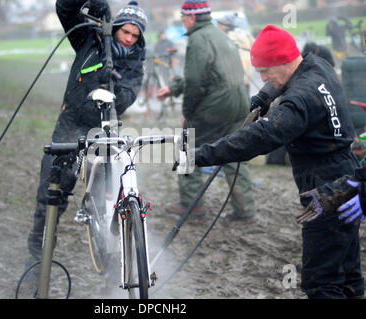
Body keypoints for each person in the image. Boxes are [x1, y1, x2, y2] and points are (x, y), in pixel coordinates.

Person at [194, 24, 364, 299]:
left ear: (285, 61)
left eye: (266, 71)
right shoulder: (317, 65)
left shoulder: (298, 102)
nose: (263, 77)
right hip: (346, 170)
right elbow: (285, 79)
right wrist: (264, 96)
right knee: (347, 270)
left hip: (324, 187)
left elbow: (257, 139)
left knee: (321, 281)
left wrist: (200, 155)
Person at [26, 0, 147, 263]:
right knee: (51, 193)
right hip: (70, 127)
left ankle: (112, 258)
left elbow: (128, 96)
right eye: (125, 31)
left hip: (104, 131)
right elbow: (65, 9)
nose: (128, 39)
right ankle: (38, 258)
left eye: (135, 35)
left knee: (112, 197)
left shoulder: (136, 61)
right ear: (114, 27)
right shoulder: (88, 40)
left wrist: (110, 86)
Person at [156, 0, 255, 220]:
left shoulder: (198, 39)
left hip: (216, 105)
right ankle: (245, 208)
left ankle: (191, 205)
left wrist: (188, 113)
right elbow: (211, 75)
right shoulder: (220, 35)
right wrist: (172, 88)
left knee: (187, 146)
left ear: (191, 18)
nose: (183, 24)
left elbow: (195, 80)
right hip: (238, 103)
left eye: (183, 20)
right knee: (234, 154)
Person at [217, 13, 255, 97]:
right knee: (246, 95)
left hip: (236, 72)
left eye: (220, 25)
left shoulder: (229, 36)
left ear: (226, 25)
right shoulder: (242, 33)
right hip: (246, 69)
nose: (218, 27)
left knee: (238, 97)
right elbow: (254, 45)